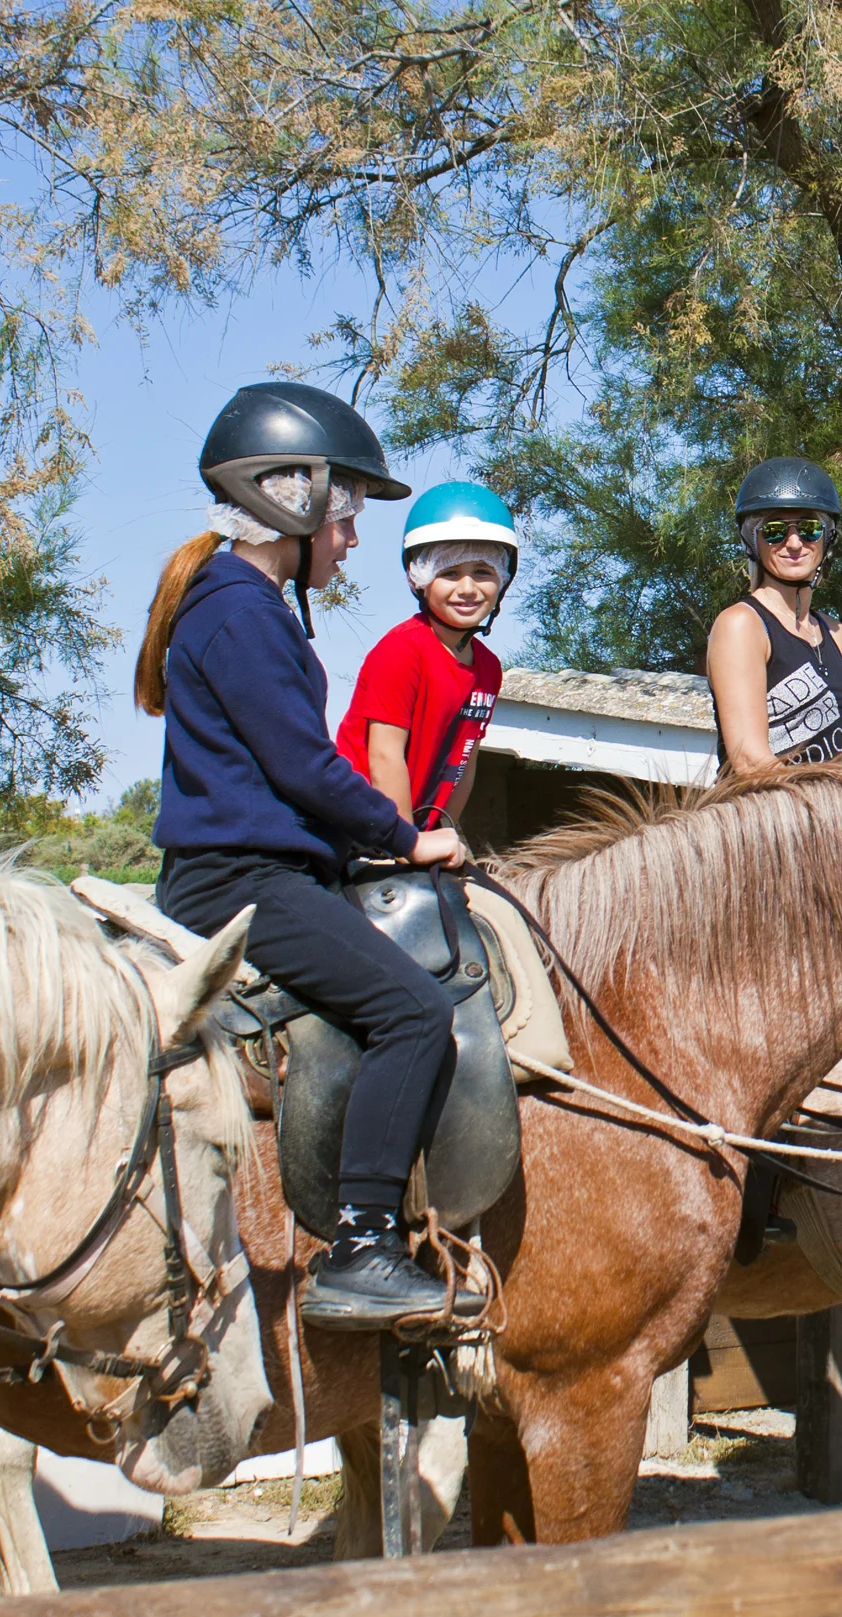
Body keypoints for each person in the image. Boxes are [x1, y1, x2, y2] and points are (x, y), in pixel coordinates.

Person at [138, 380, 484, 1330]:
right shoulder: (237, 610)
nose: (352, 540)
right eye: (346, 517)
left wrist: (368, 854)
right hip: (237, 882)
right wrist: (405, 834)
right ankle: (362, 1244)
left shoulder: (253, 606)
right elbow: (301, 765)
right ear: (288, 498)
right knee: (415, 1012)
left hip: (274, 866)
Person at [338, 481, 516, 830]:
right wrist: (407, 845)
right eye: (449, 573)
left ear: (503, 578)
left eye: (483, 571)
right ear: (420, 579)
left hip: (415, 832)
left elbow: (464, 763)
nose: (467, 588)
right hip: (359, 828)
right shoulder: (403, 650)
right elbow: (384, 756)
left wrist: (446, 832)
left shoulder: (489, 668)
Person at [705, 457, 842, 775]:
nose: (794, 543)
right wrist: (827, 806)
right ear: (754, 541)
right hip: (760, 818)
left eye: (809, 529)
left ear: (826, 538)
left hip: (834, 819)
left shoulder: (835, 632)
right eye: (776, 532)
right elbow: (751, 762)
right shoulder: (742, 625)